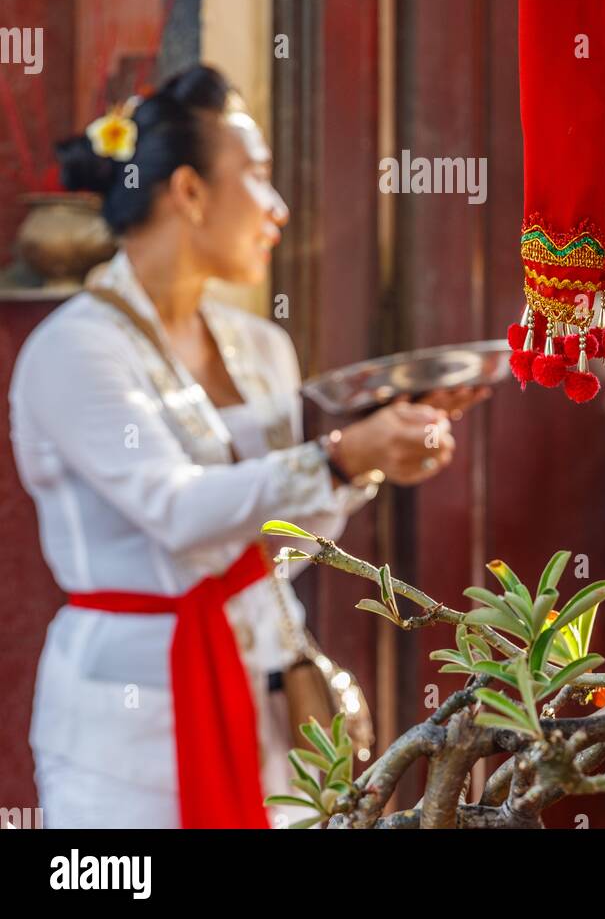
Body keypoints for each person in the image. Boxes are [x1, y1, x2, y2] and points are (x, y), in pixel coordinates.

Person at [10, 65, 486, 830]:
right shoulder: (75, 349)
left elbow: (284, 543)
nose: (279, 208)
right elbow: (177, 510)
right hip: (127, 727)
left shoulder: (259, 345)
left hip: (271, 692)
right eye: (259, 178)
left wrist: (372, 456)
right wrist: (339, 457)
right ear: (190, 192)